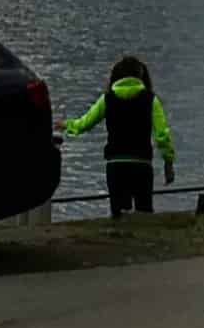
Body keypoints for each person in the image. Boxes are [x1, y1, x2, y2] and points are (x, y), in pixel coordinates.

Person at [65, 53, 179, 215]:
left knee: (118, 215)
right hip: (142, 165)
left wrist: (67, 125)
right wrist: (168, 163)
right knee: (144, 213)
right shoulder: (150, 100)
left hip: (116, 165)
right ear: (142, 76)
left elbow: (85, 123)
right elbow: (162, 135)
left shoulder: (107, 99)